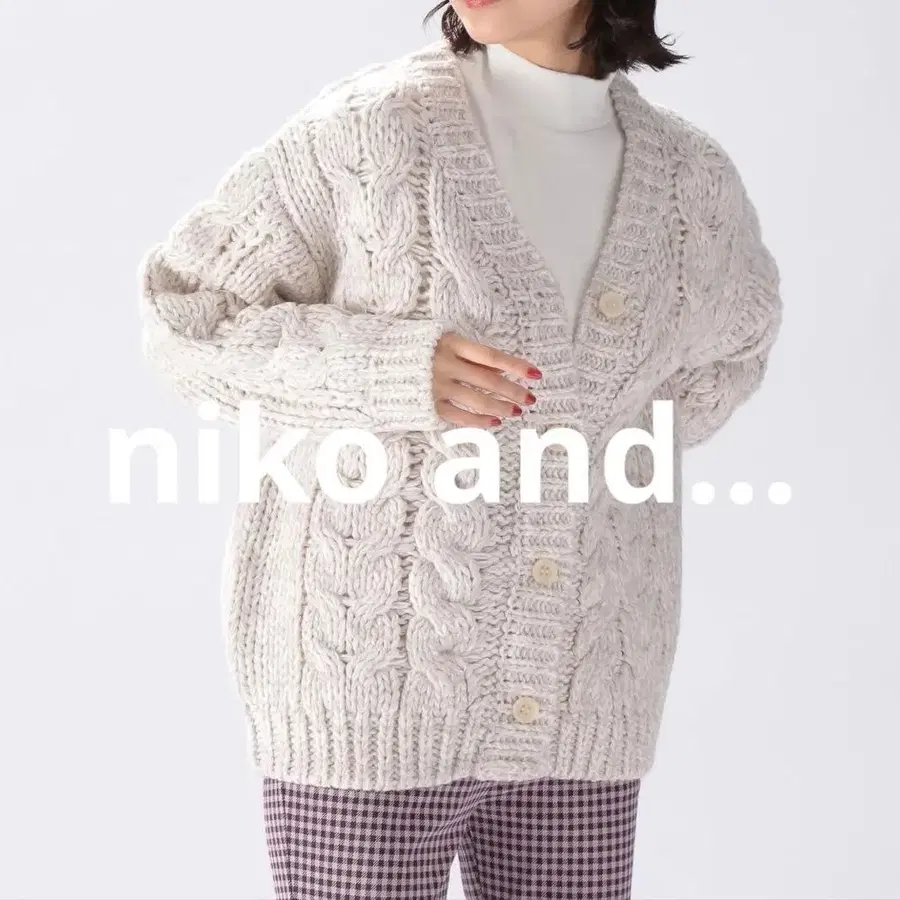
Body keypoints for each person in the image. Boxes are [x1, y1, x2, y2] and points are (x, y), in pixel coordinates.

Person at [137, 0, 783, 897]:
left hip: (585, 697)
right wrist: (390, 371)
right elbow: (188, 315)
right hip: (369, 695)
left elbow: (736, 345)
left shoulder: (690, 181)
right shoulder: (371, 133)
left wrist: (608, 442)